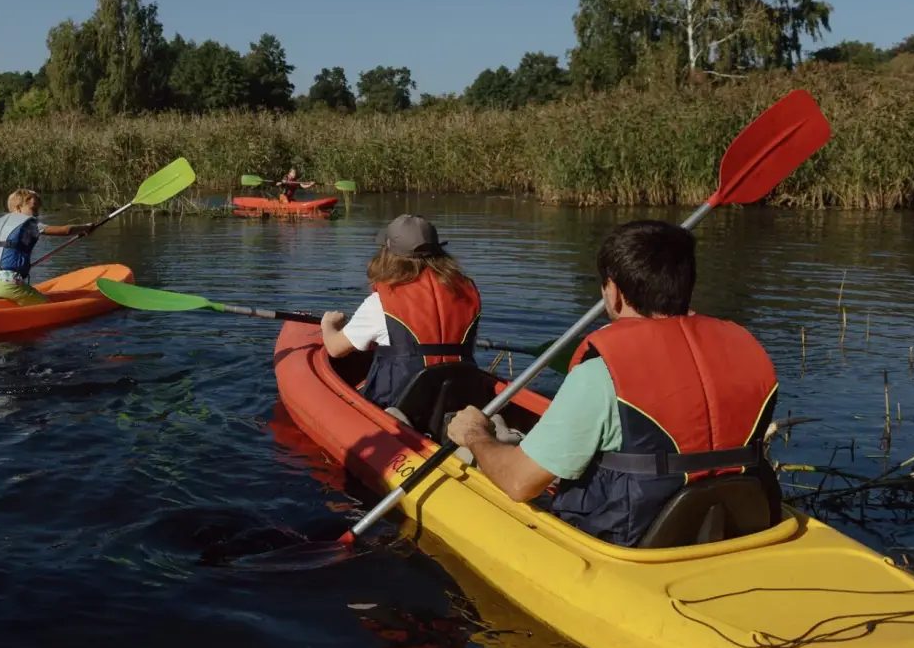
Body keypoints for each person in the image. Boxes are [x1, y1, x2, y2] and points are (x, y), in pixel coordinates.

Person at [445, 219, 780, 548]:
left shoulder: (601, 374)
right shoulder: (746, 354)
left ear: (614, 293)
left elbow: (519, 483)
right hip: (739, 528)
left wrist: (475, 434)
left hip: (633, 542)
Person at [319, 215, 482, 410]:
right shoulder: (466, 293)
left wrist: (328, 325)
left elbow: (335, 349)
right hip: (459, 400)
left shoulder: (381, 302)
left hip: (399, 406)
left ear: (388, 255)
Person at [0, 188, 93, 305]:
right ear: (18, 207)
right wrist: (85, 227)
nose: (37, 214)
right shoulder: (29, 224)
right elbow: (65, 230)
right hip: (9, 284)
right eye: (33, 208)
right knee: (47, 307)